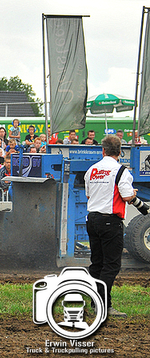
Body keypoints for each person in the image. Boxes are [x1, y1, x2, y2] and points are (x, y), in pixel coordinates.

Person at [84, 135, 136, 318]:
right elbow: (128, 196)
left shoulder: (91, 170)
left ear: (103, 151)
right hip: (110, 221)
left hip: (92, 219)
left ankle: (93, 302)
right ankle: (104, 306)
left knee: (96, 263)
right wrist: (133, 195)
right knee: (111, 265)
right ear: (120, 152)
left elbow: (89, 195)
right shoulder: (121, 171)